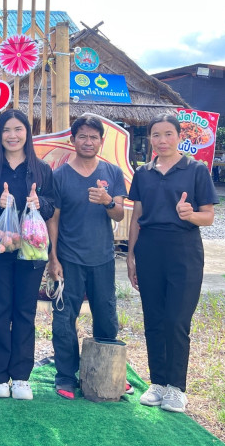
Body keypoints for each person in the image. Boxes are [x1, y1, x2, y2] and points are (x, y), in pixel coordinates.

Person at [127, 114, 217, 414]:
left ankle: (176, 388)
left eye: (168, 134)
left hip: (184, 250)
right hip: (149, 249)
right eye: (156, 134)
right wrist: (131, 255)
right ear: (149, 138)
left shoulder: (196, 170)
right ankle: (157, 383)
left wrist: (190, 215)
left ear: (179, 136)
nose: (162, 140)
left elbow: (208, 216)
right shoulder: (143, 173)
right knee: (153, 319)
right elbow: (137, 216)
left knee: (177, 320)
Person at [0, 110, 56, 400]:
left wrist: (39, 202)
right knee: (0, 311)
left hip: (32, 250)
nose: (12, 135)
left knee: (25, 311)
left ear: (27, 133)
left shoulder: (41, 169)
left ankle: (21, 377)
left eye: (18, 129)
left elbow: (52, 206)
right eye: (6, 130)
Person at [46, 114, 128, 400]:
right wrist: (53, 257)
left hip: (102, 257)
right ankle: (65, 376)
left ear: (101, 141)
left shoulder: (112, 173)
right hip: (68, 259)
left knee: (106, 316)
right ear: (73, 140)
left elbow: (119, 214)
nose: (88, 141)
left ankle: (107, 372)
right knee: (63, 319)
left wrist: (108, 201)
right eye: (82, 136)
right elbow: (53, 219)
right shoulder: (59, 176)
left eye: (94, 137)